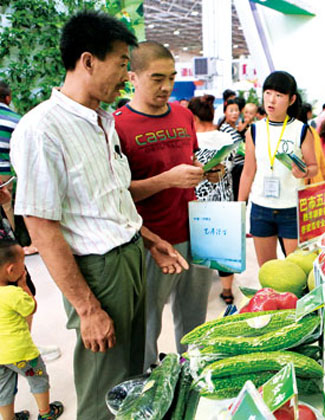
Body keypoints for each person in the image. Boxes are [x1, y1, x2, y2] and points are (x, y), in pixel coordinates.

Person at [10, 12, 187, 420]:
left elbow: (111, 202)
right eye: (123, 63)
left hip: (130, 259)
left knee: (129, 379)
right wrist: (88, 309)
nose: (127, 75)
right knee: (102, 388)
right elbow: (42, 225)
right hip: (97, 273)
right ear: (88, 61)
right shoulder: (43, 129)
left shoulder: (102, 122)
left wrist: (151, 240)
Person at [113, 41, 214, 369]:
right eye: (157, 78)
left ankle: (192, 375)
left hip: (194, 232)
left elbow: (191, 162)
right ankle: (145, 383)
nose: (166, 86)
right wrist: (168, 179)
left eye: (171, 77)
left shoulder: (184, 116)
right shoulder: (117, 126)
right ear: (133, 77)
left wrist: (209, 172)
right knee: (146, 322)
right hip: (148, 240)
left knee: (195, 318)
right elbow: (116, 193)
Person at [238, 71, 317, 266]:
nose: (271, 100)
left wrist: (306, 171)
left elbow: (314, 167)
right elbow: (248, 171)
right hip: (260, 209)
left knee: (296, 270)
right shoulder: (254, 130)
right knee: (267, 271)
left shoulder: (301, 130)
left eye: (279, 95)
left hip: (291, 208)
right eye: (267, 93)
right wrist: (240, 205)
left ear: (291, 100)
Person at [0, 240, 64, 420]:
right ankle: (45, 413)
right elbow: (30, 308)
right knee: (38, 378)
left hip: (0, 356)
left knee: (3, 387)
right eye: (23, 262)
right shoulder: (13, 294)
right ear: (11, 270)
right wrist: (23, 285)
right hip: (22, 353)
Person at [188, 94, 238, 304]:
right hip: (223, 201)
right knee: (223, 250)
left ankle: (196, 293)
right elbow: (233, 166)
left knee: (197, 250)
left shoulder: (192, 142)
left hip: (197, 203)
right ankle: (227, 291)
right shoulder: (226, 139)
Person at [217, 98, 246, 200]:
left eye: (236, 110)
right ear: (225, 112)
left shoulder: (235, 128)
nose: (235, 113)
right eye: (231, 110)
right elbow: (242, 150)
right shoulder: (226, 129)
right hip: (236, 171)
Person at [298, 102, 325, 184]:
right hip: (317, 180)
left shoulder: (295, 132)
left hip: (302, 183)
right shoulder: (313, 132)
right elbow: (322, 160)